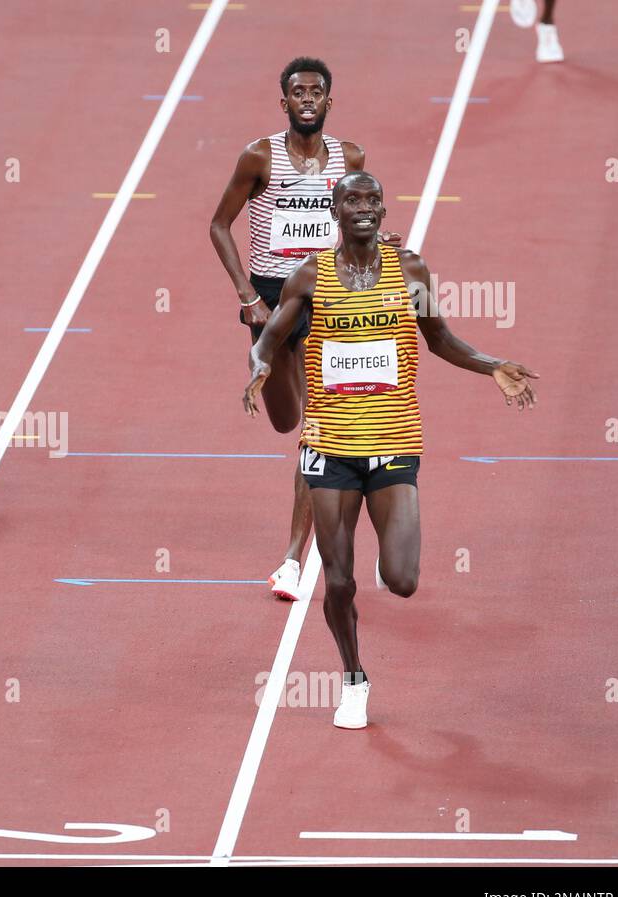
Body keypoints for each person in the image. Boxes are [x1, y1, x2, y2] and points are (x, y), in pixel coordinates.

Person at [243, 171, 539, 730]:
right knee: (336, 580)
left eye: (373, 199)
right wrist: (258, 368)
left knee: (403, 579)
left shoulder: (412, 270)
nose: (364, 207)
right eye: (353, 199)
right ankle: (353, 677)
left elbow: (441, 338)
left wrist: (491, 365)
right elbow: (269, 338)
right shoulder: (310, 275)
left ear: (382, 210)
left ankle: (386, 564)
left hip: (395, 440)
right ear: (335, 210)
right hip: (330, 446)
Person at [211, 57, 399, 601]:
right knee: (284, 419)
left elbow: (356, 220)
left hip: (326, 294)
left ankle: (292, 559)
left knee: (314, 425)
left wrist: (378, 250)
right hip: (272, 299)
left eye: (318, 91)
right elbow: (219, 224)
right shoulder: (259, 156)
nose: (308, 98)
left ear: (330, 101)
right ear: (285, 102)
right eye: (298, 91)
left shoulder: (351, 157)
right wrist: (247, 296)